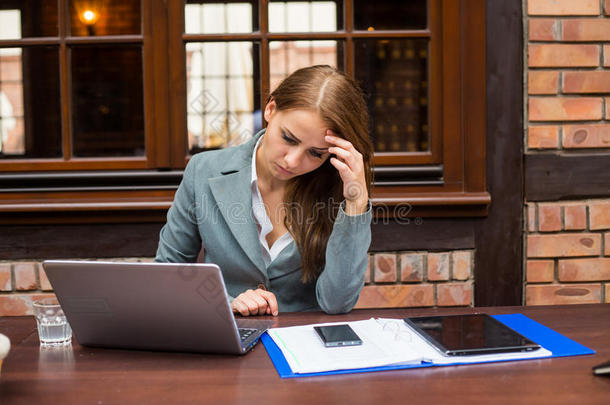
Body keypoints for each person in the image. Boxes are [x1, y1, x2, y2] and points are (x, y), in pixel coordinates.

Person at [155, 65, 373, 316]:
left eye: (315, 153)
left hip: (304, 345)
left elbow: (337, 303)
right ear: (270, 109)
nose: (292, 161)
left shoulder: (339, 186)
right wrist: (226, 302)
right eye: (289, 138)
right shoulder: (203, 170)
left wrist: (356, 203)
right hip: (227, 339)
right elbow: (168, 274)